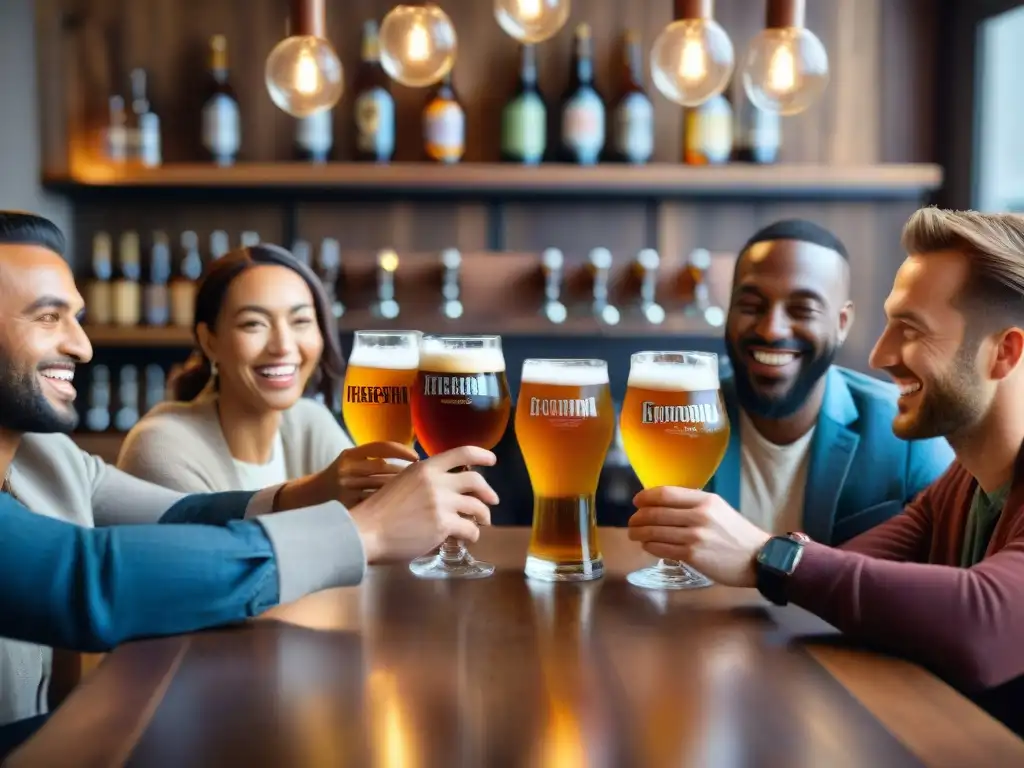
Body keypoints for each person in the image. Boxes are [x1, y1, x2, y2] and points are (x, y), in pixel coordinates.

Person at [0, 212, 498, 741]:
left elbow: (181, 515)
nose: (83, 346)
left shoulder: (49, 456)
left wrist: (315, 490)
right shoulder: (159, 438)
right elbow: (89, 578)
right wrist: (365, 532)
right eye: (49, 318)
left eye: (76, 317)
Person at [628, 208, 1024, 734]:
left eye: (910, 330)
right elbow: (836, 576)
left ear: (1004, 353)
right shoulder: (964, 484)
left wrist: (766, 556)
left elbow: (983, 625)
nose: (880, 354)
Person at [709, 219, 954, 544]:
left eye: (802, 310)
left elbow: (950, 575)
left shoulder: (911, 436)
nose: (772, 330)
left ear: (841, 323)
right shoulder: (682, 423)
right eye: (751, 306)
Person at [116, 244, 416, 499]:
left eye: (300, 321)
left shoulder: (307, 423)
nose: (283, 346)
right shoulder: (162, 445)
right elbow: (228, 562)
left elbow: (380, 519)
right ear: (210, 341)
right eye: (254, 324)